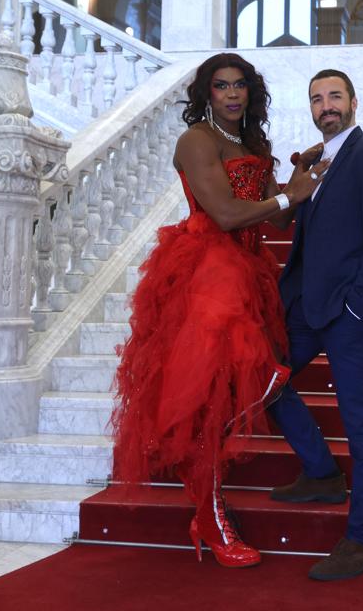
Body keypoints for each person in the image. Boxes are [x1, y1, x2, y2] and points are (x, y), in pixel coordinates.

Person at [110, 52, 327, 569]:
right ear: (206, 95)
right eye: (221, 86)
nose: (231, 94)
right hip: (210, 269)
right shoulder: (197, 141)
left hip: (249, 269)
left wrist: (295, 181)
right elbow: (227, 215)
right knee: (220, 393)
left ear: (250, 93)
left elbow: (274, 223)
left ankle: (207, 507)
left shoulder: (251, 143)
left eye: (240, 86)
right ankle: (208, 514)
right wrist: (284, 198)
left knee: (233, 393)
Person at [268, 69, 363, 581]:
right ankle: (322, 471)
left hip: (349, 313)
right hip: (304, 307)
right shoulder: (315, 161)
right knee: (262, 381)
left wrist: (360, 305)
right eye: (316, 98)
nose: (326, 105)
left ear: (353, 102)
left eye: (334, 96)